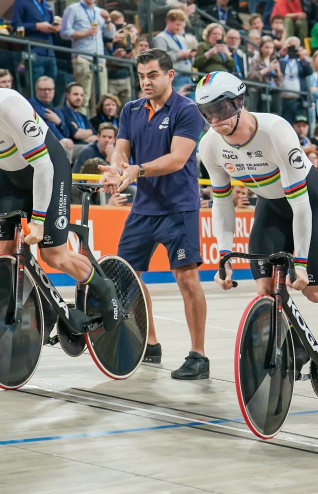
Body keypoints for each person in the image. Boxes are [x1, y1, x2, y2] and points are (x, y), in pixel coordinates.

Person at [193, 71, 318, 381]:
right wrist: (224, 255)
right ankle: (298, 344)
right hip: (271, 204)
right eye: (206, 112)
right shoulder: (210, 145)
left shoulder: (275, 130)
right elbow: (222, 203)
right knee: (265, 289)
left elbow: (300, 203)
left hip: (310, 200)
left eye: (220, 109)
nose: (214, 119)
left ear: (239, 102)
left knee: (315, 289)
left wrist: (302, 262)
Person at [0, 53, 124, 336]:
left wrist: (39, 219)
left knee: (54, 256)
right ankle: (45, 308)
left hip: (47, 167)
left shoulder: (7, 106)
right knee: (3, 253)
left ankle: (105, 289)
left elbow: (43, 165)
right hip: (8, 175)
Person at [98, 49, 209, 378]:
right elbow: (121, 149)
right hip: (143, 209)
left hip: (179, 208)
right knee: (126, 276)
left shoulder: (187, 110)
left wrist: (138, 169)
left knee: (186, 278)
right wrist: (117, 167)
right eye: (141, 76)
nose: (146, 82)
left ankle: (199, 356)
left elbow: (177, 159)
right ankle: (150, 343)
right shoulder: (131, 109)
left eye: (153, 75)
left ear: (170, 75)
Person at [61, 0, 113, 115]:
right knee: (83, 97)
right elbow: (64, 32)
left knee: (101, 99)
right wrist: (86, 33)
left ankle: (97, 125)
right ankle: (81, 123)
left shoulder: (100, 12)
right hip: (82, 57)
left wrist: (108, 20)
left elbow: (110, 35)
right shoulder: (73, 9)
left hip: (100, 59)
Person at [11, 0, 60, 88]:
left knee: (50, 89)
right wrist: (36, 26)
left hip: (50, 53)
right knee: (35, 88)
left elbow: (51, 28)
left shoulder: (47, 5)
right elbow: (16, 25)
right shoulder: (21, 2)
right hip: (33, 51)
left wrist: (55, 28)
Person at [153, 9, 195, 96]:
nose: (178, 28)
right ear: (169, 21)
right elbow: (160, 61)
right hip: (175, 78)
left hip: (188, 77)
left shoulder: (182, 39)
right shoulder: (160, 38)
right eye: (177, 25)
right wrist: (178, 55)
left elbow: (189, 62)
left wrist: (191, 56)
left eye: (181, 26)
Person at [28, 77, 73, 148]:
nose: (47, 92)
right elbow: (45, 125)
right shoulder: (31, 105)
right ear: (36, 91)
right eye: (43, 89)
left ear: (54, 91)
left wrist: (59, 122)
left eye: (50, 89)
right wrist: (61, 138)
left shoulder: (57, 111)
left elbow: (67, 133)